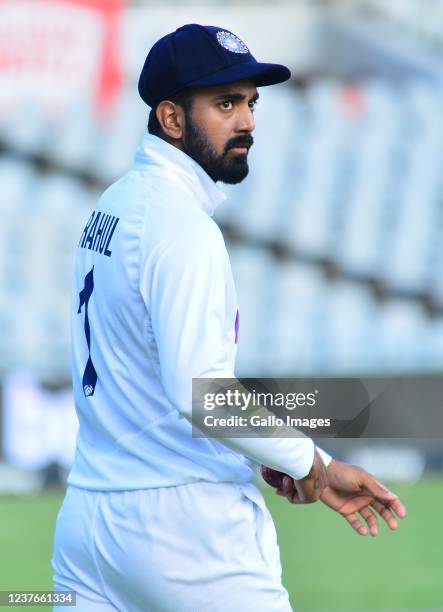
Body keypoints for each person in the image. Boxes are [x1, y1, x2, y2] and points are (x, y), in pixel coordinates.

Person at [52, 24, 406, 611]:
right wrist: (309, 462)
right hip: (186, 537)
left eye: (250, 102)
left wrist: (275, 456)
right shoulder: (181, 226)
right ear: (170, 118)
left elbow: (150, 383)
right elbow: (205, 396)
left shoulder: (112, 206)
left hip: (89, 521)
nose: (247, 121)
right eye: (225, 103)